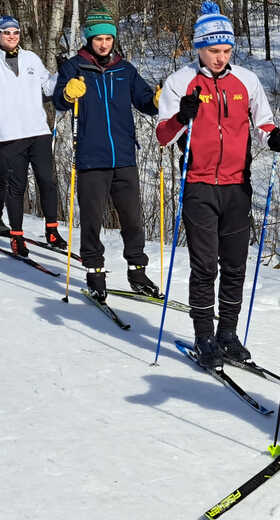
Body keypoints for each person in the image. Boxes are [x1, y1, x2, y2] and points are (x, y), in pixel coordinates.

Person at [156, 1, 280, 368]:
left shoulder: (246, 80)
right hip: (198, 184)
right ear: (198, 47)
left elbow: (263, 124)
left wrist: (275, 136)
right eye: (214, 50)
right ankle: (204, 337)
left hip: (237, 185)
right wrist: (183, 115)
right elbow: (162, 136)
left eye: (227, 50)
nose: (220, 57)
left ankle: (227, 334)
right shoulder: (180, 82)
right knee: (205, 267)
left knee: (235, 265)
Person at [53, 6, 159, 300]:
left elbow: (146, 102)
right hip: (90, 156)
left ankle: (137, 271)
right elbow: (60, 102)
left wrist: (158, 99)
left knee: (132, 218)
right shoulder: (74, 67)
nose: (103, 44)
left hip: (124, 156)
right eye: (98, 38)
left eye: (108, 39)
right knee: (91, 218)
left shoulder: (125, 70)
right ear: (89, 39)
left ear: (114, 40)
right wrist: (66, 93)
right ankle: (94, 272)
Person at [0, 15, 67, 255]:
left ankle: (52, 230)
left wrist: (63, 71)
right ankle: (17, 237)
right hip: (9, 135)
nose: (11, 36)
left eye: (15, 32)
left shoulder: (31, 59)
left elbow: (48, 87)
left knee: (47, 182)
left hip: (38, 131)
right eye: (6, 32)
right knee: (16, 187)